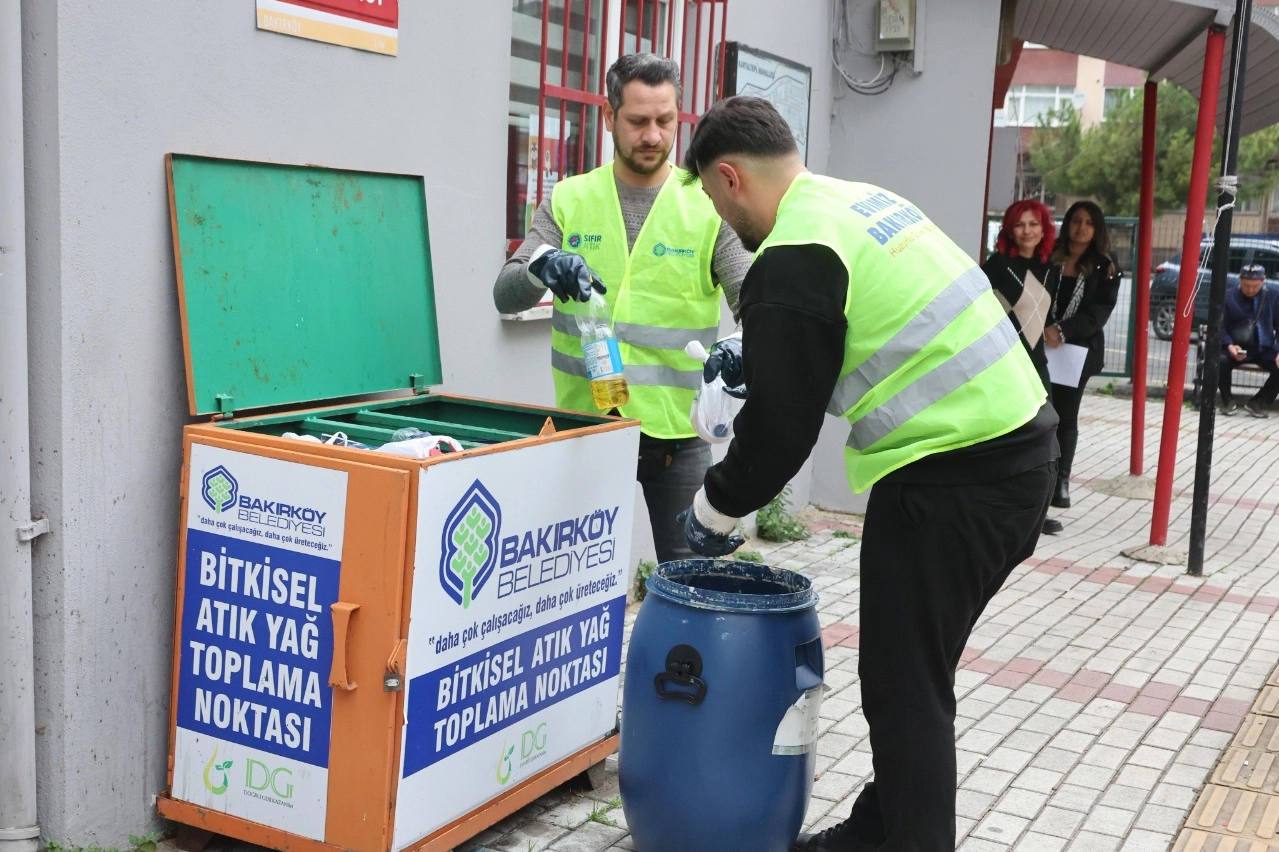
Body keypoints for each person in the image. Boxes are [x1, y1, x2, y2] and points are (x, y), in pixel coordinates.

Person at [676, 96, 1058, 852]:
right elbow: (853, 319)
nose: (725, 223)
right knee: (915, 676)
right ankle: (874, 835)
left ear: (728, 178)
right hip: (1019, 455)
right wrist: (756, 348)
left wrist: (712, 512)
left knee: (902, 689)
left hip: (952, 484)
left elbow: (781, 434)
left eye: (718, 205)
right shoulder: (861, 202)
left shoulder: (790, 255)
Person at [493, 54, 752, 564]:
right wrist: (541, 266)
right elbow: (505, 294)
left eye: (665, 121)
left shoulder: (708, 205)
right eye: (637, 121)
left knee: (691, 583)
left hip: (678, 434)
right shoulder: (569, 199)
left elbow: (753, 298)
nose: (653, 136)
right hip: (583, 428)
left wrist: (743, 346)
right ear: (609, 117)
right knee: (566, 581)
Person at [982, 199, 1063, 534]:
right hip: (1004, 362)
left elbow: (1048, 316)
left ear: (1043, 228)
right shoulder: (997, 265)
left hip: (1037, 361)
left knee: (1041, 435)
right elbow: (983, 313)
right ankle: (995, 504)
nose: (1027, 230)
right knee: (1003, 433)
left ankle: (1035, 511)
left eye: (1034, 224)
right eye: (1020, 224)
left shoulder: (1051, 268)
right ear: (1009, 230)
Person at [1043, 201, 1121, 504]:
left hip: (1077, 351)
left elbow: (1098, 312)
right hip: (1040, 345)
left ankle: (1061, 482)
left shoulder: (1106, 265)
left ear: (1097, 228)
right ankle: (1037, 476)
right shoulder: (1049, 256)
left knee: (1065, 416)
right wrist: (1044, 328)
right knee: (1037, 413)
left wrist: (1062, 331)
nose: (1082, 227)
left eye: (1089, 222)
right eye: (1076, 220)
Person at [1218, 263, 1279, 419]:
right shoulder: (1228, 296)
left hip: (1264, 347)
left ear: (1263, 281)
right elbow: (1220, 326)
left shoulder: (1273, 296)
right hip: (1238, 346)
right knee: (1221, 360)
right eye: (1246, 285)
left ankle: (1260, 401)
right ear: (1239, 280)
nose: (1251, 290)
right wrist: (1229, 345)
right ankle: (1227, 401)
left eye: (1255, 286)